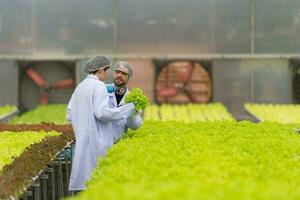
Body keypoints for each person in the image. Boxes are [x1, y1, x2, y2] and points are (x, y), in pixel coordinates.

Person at [66, 55, 136, 192]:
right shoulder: (99, 86)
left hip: (83, 141)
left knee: (83, 181)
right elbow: (102, 113)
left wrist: (84, 123)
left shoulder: (81, 86)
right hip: (98, 142)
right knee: (97, 183)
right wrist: (127, 109)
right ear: (100, 70)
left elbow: (69, 113)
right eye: (108, 70)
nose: (108, 74)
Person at [106, 61, 143, 143]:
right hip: (99, 143)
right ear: (113, 74)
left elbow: (135, 126)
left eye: (123, 73)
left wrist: (132, 112)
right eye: (117, 72)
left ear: (128, 77)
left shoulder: (132, 99)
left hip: (119, 143)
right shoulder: (102, 90)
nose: (119, 75)